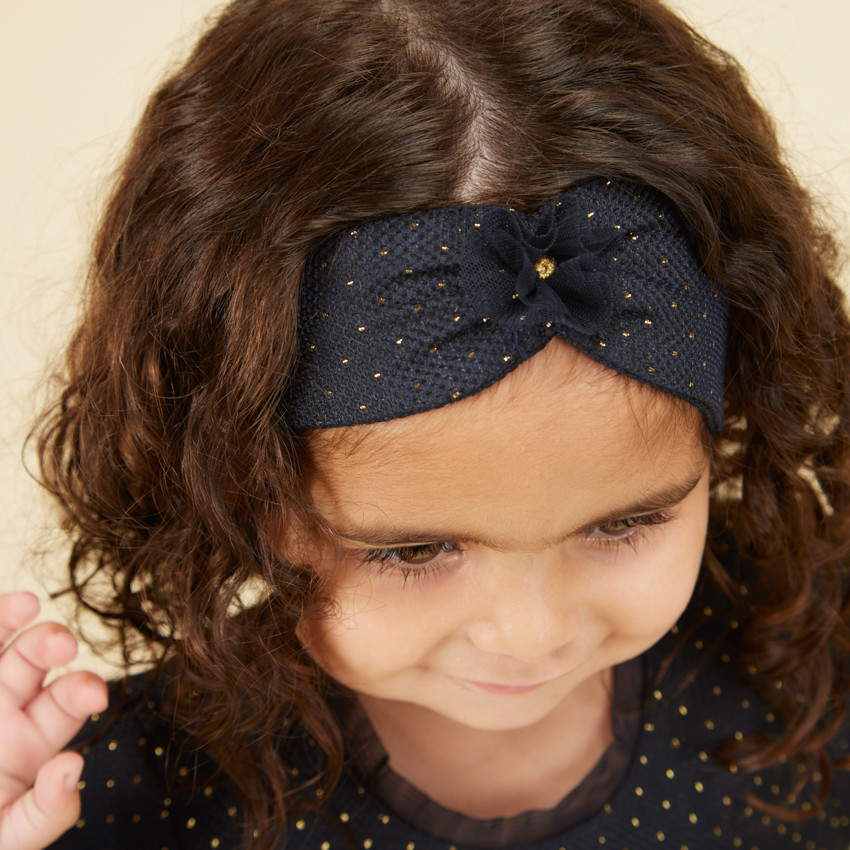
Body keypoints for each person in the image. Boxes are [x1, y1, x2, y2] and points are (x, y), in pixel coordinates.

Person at [1, 0, 848, 847]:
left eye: (625, 523)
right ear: (234, 482)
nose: (531, 635)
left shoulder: (820, 665)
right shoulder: (104, 804)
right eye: (414, 551)